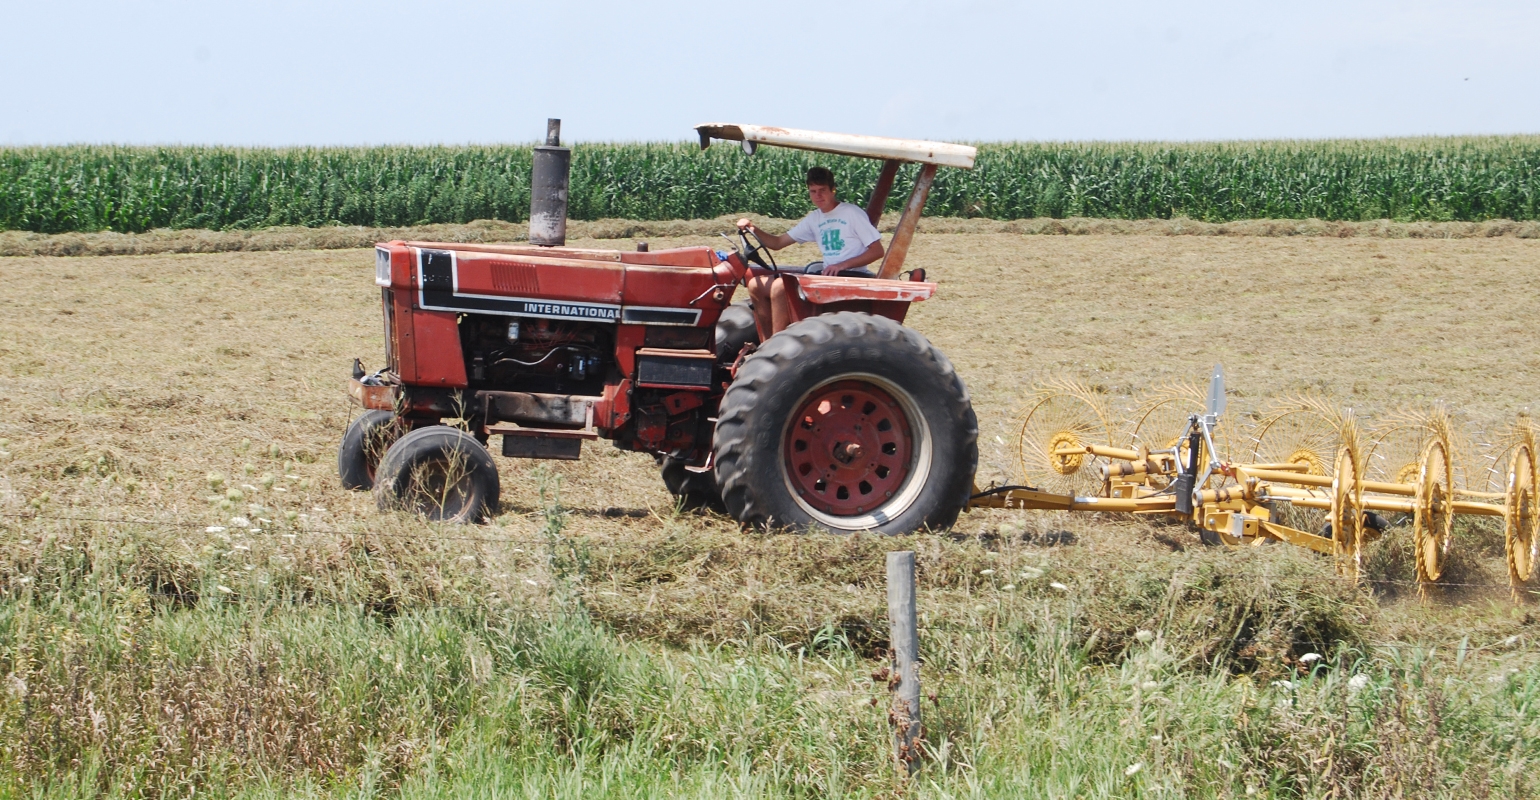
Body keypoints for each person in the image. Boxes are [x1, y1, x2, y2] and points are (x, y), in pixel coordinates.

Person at [737, 167, 884, 338]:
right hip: (829, 276)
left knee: (780, 287)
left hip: (850, 276)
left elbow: (877, 251)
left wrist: (842, 265)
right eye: (813, 191)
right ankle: (766, 344)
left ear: (832, 190)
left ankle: (777, 346)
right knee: (756, 285)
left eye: (822, 190)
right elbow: (777, 243)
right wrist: (752, 228)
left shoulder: (851, 213)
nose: (818, 196)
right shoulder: (815, 218)